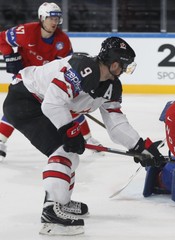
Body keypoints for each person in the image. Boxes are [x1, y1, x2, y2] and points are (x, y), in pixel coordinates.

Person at [2, 36, 165, 235]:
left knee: (70, 155)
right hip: (25, 100)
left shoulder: (111, 85)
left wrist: (140, 146)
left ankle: (61, 201)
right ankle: (51, 215)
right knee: (64, 151)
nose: (124, 70)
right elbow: (52, 103)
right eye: (124, 65)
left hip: (42, 105)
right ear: (114, 64)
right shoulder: (81, 67)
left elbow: (115, 122)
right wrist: (70, 131)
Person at [0, 2, 98, 161]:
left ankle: (88, 138)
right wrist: (9, 55)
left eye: (57, 19)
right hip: (26, 78)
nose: (54, 22)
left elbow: (69, 65)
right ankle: (1, 142)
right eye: (50, 18)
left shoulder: (63, 40)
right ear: (41, 18)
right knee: (18, 107)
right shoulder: (26, 31)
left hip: (48, 80)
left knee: (67, 105)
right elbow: (2, 38)